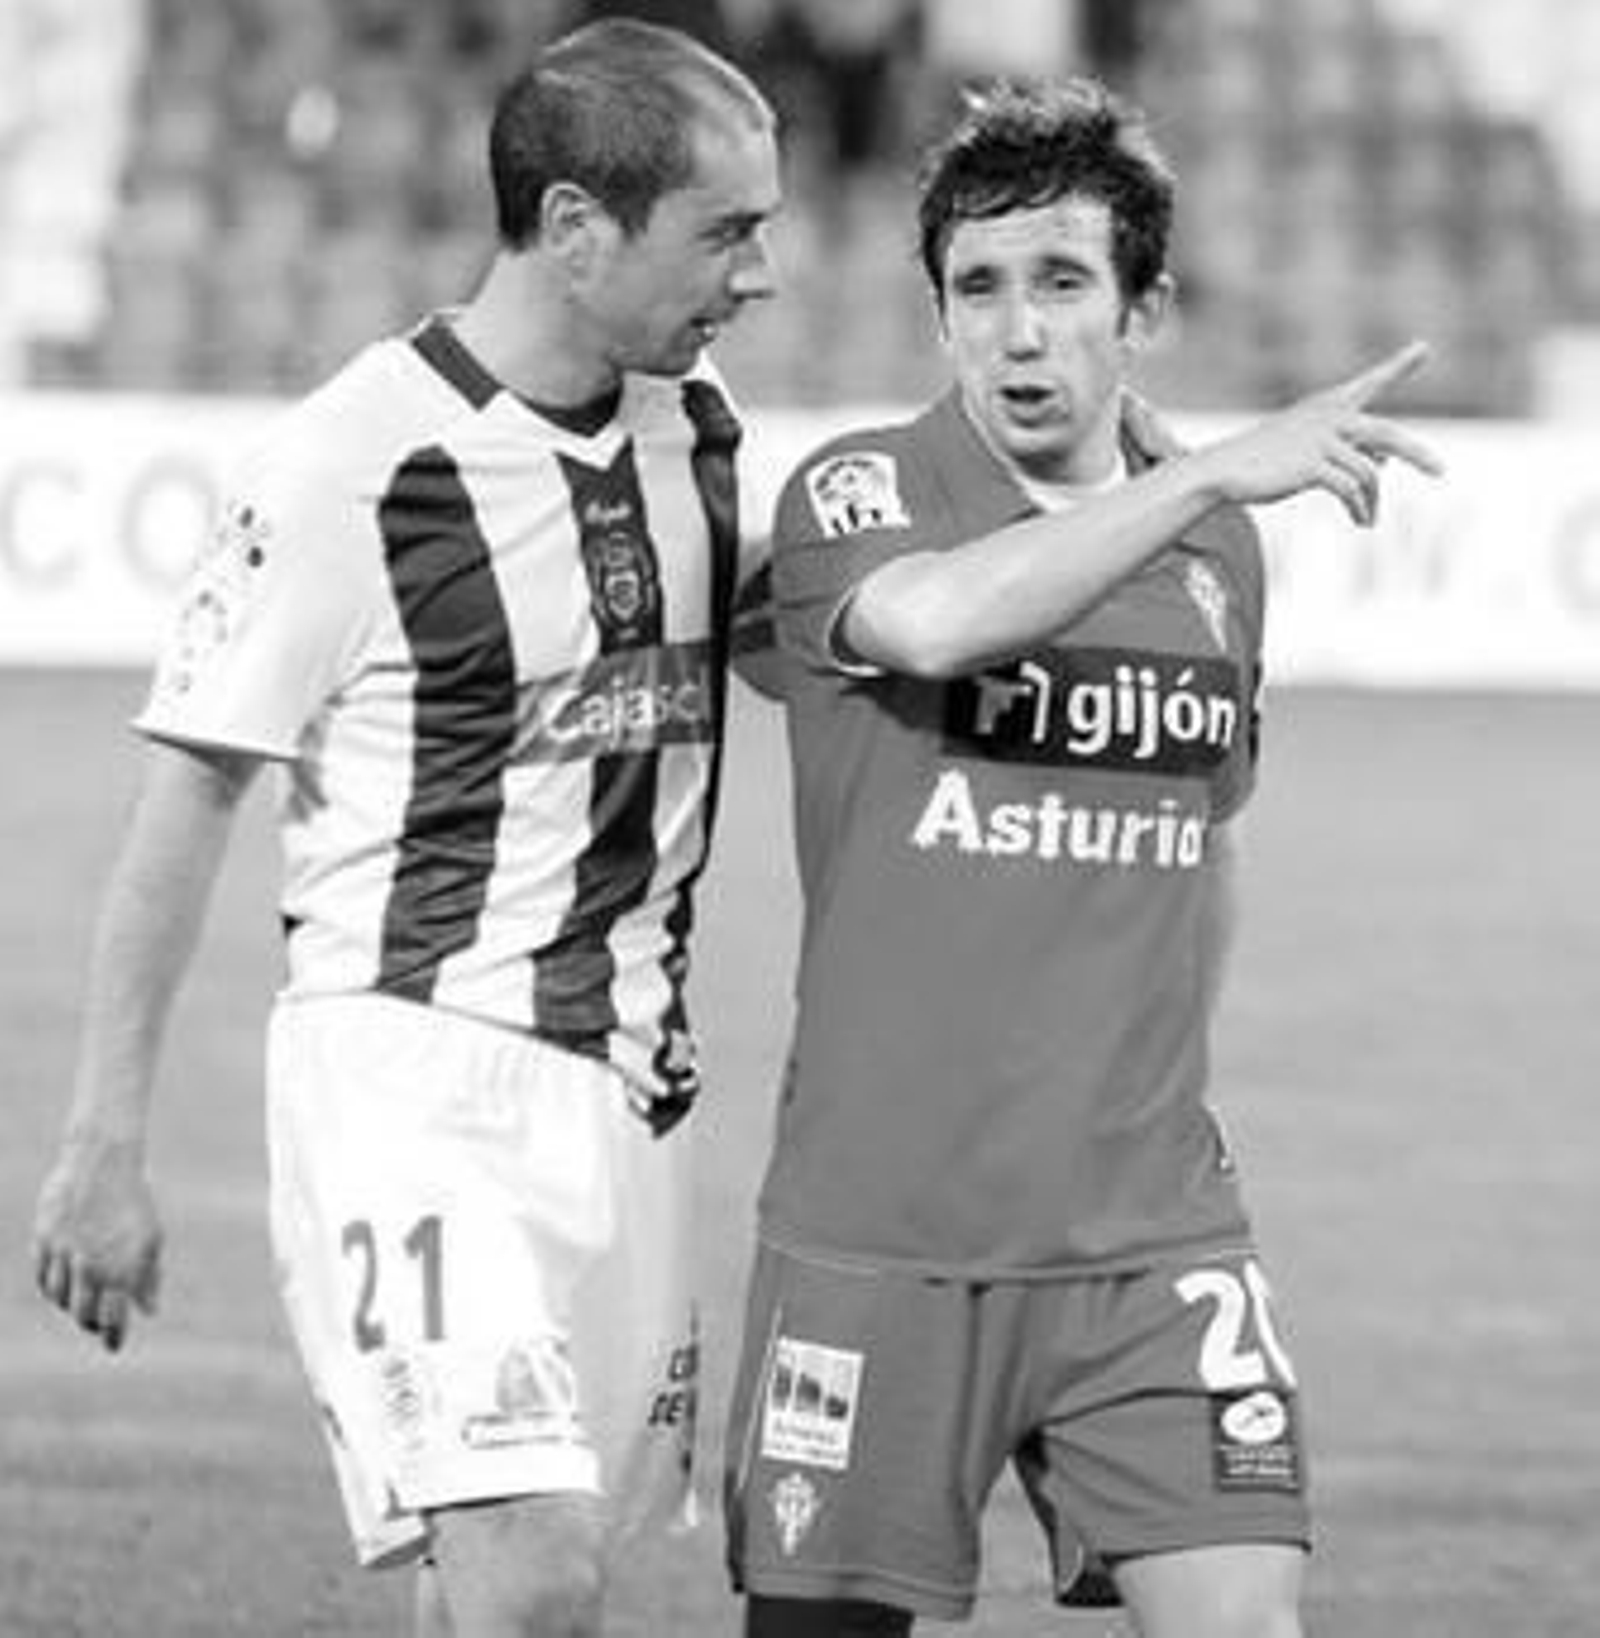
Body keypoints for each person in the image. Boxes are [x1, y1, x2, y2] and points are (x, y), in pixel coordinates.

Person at [32, 18, 779, 1638]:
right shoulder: (348, 465)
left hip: (634, 1095)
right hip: (411, 1084)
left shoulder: (697, 430)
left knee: (494, 1576)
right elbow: (189, 800)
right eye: (726, 230)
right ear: (577, 229)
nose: (760, 274)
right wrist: (104, 1145)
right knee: (531, 1567)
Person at [723, 79, 1440, 1638]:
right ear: (938, 314)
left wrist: (1151, 1086)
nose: (1019, 331)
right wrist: (1197, 476)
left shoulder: (1220, 555)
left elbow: (1207, 831)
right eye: (977, 289)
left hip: (1150, 1239)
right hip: (883, 1234)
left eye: (1062, 284)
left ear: (1146, 309)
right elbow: (930, 623)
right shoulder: (862, 488)